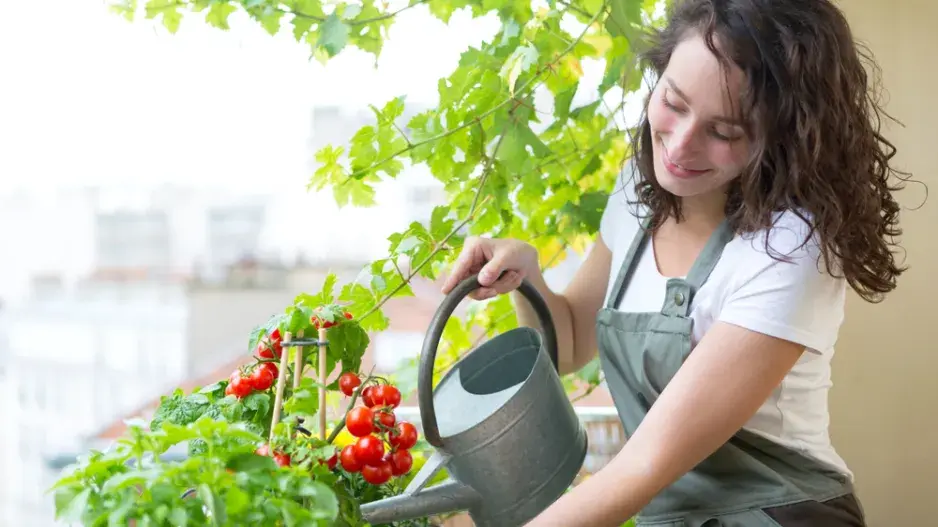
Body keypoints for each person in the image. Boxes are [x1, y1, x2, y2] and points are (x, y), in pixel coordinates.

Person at [439, 0, 912, 525]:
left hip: (779, 515)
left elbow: (643, 465)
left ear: (778, 135)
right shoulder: (638, 195)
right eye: (673, 101)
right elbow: (569, 342)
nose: (681, 146)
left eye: (725, 132)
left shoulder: (791, 247)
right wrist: (530, 279)